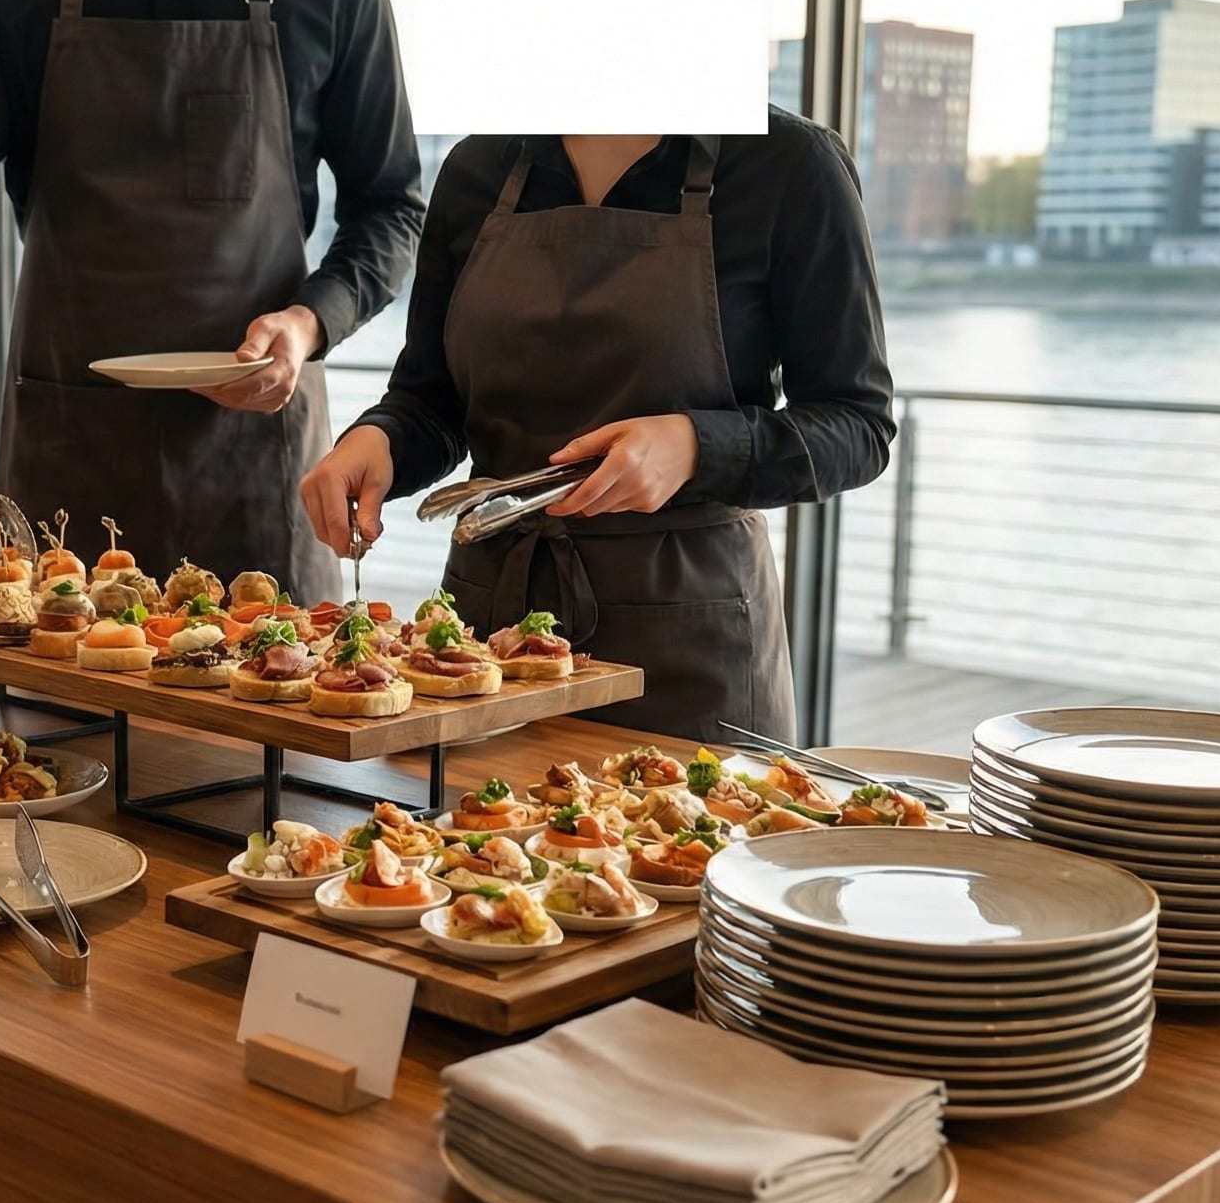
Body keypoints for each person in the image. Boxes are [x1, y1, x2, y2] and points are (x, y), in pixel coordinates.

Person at [0, 0, 423, 601]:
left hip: (259, 462)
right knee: (57, 668)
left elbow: (391, 206)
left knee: (279, 662)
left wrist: (309, 323)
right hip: (71, 448)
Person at [299, 116, 896, 740]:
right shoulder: (478, 167)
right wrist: (379, 441)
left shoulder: (788, 163)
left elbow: (858, 425)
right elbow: (430, 400)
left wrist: (696, 447)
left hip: (690, 648)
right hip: (481, 646)